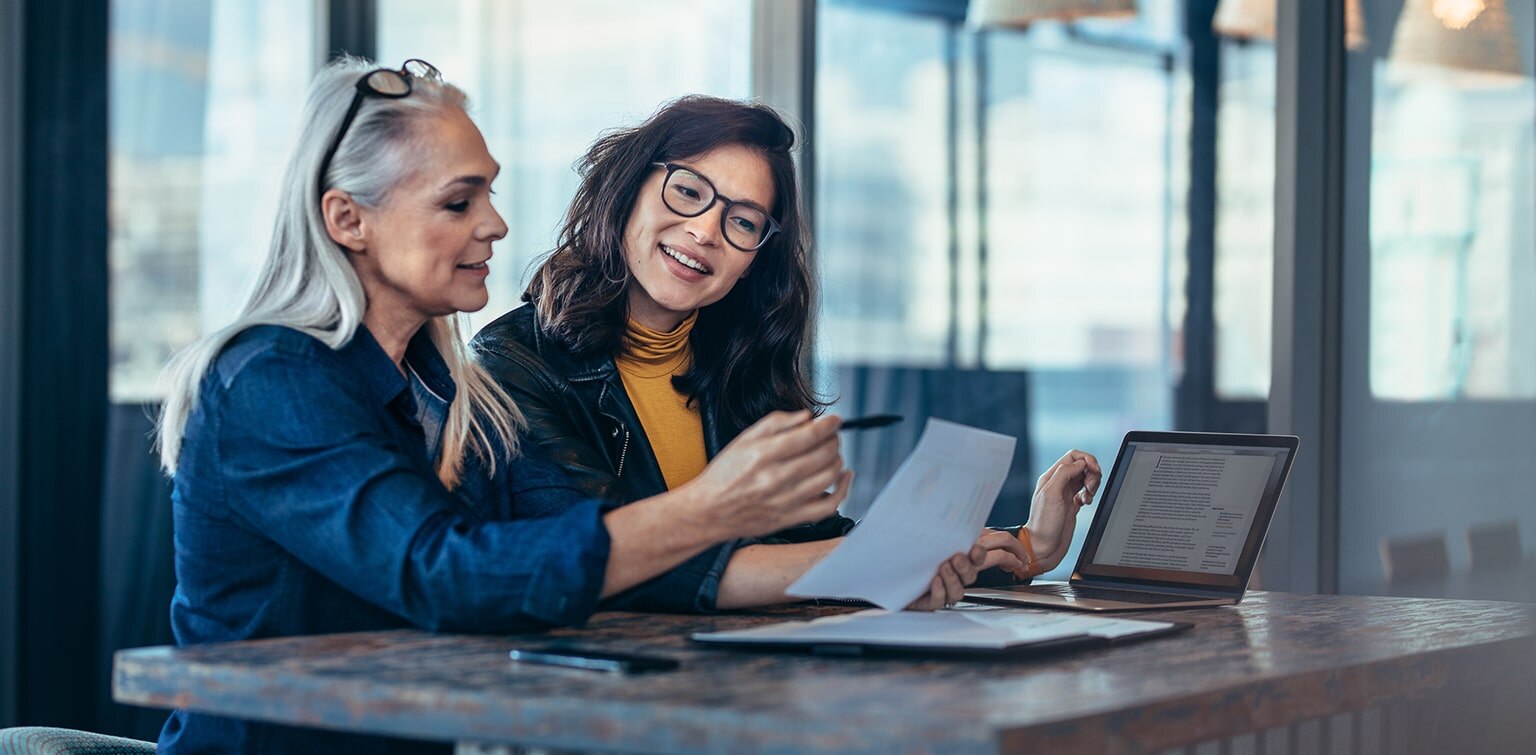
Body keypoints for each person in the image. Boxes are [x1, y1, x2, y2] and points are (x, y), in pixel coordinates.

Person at [153, 60, 993, 755]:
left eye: (489, 194)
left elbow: (585, 543)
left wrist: (886, 571)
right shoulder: (270, 380)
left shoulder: (449, 390)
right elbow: (447, 575)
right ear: (349, 219)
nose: (496, 223)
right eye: (459, 201)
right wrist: (715, 507)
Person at [472, 95, 1104, 607]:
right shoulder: (512, 366)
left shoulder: (738, 368)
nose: (705, 232)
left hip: (742, 691)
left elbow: (810, 545)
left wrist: (1026, 547)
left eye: (743, 221)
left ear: (754, 260)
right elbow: (611, 562)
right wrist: (878, 565)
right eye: (688, 191)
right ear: (628, 189)